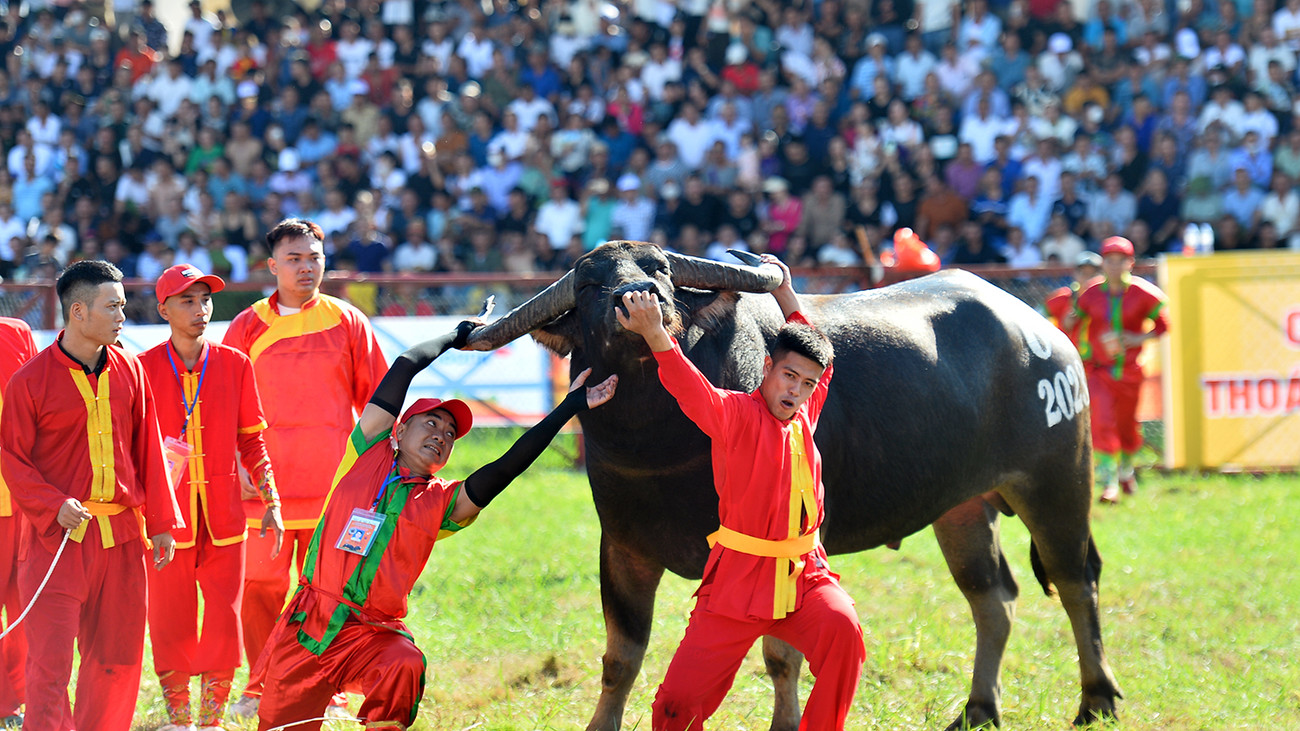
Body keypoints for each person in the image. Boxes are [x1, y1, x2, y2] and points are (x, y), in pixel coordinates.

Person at [255, 321, 617, 729]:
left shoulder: (442, 502)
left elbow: (506, 468)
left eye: (450, 433)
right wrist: (455, 336)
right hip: (310, 625)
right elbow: (405, 365)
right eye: (431, 423)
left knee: (405, 663)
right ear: (400, 429)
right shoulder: (365, 452)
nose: (442, 434)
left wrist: (569, 407)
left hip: (371, 634)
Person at [617, 256, 865, 731]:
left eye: (807, 383)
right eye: (789, 376)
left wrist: (786, 292)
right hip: (736, 584)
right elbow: (687, 386)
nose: (796, 391)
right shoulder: (732, 413)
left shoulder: (806, 410)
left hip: (804, 575)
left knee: (845, 633)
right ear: (768, 368)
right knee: (676, 706)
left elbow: (819, 351)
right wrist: (653, 334)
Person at [0, 261, 183, 731]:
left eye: (123, 305)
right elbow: (12, 459)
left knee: (117, 661)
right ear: (77, 311)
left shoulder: (131, 370)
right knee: (50, 666)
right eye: (114, 306)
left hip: (122, 537)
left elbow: (148, 446)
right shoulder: (29, 381)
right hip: (56, 541)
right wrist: (50, 504)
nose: (124, 315)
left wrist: (161, 524)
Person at [223, 219, 388, 717]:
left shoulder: (347, 320)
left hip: (333, 487)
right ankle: (261, 686)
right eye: (294, 259)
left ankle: (327, 691)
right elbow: (225, 403)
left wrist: (379, 470)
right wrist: (236, 458)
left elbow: (379, 401)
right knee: (258, 589)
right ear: (272, 267)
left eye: (314, 258)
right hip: (265, 488)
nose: (306, 267)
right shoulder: (246, 325)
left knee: (328, 595)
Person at [140, 264, 286, 730]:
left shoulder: (234, 364)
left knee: (224, 618)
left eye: (205, 299)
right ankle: (179, 718)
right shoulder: (140, 370)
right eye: (187, 300)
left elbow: (252, 441)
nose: (200, 309)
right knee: (169, 618)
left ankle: (210, 721)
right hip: (166, 519)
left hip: (224, 517)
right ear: (163, 308)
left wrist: (272, 502)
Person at [1074, 237, 1170, 503]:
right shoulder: (1090, 293)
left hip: (1129, 372)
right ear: (1103, 263)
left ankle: (1126, 469)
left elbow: (1165, 325)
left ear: (1131, 263)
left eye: (1121, 261)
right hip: (1098, 371)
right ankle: (1109, 483)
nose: (1115, 266)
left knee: (1127, 427)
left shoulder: (1144, 293)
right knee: (1101, 422)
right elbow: (1075, 320)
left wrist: (1138, 338)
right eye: (1109, 261)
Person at [0, 317, 37, 725]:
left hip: (24, 493)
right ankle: (3, 701)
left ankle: (25, 693)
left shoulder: (16, 332)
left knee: (26, 600)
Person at [1044, 250, 1102, 348]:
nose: (1088, 279)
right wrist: (1062, 325)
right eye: (1083, 273)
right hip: (1071, 355)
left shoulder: (1108, 299)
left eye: (1092, 274)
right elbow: (1038, 317)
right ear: (1075, 274)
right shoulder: (1063, 297)